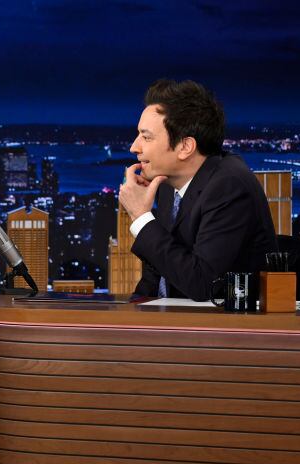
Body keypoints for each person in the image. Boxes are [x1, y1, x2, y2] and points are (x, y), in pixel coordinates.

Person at [119, 79, 278, 300]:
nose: (134, 147)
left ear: (185, 147)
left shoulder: (229, 186)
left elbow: (203, 285)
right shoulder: (167, 185)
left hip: (225, 320)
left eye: (146, 137)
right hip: (173, 317)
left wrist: (141, 217)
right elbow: (157, 272)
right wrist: (133, 311)